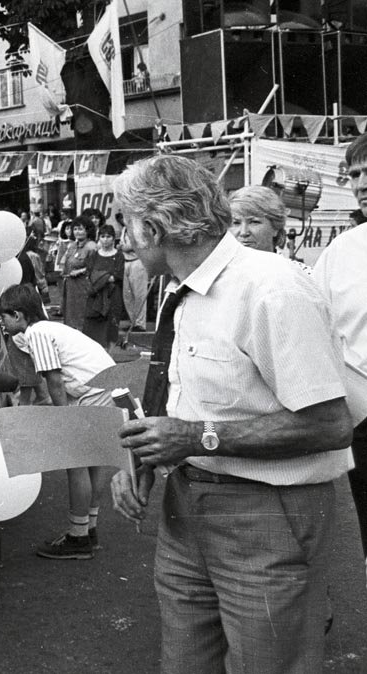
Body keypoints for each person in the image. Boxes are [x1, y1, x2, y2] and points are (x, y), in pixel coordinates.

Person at [111, 154, 352, 673]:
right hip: (186, 507)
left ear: (153, 226)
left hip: (268, 513)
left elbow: (331, 424)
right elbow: (191, 401)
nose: (124, 237)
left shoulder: (273, 288)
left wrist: (196, 438)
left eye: (126, 222)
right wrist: (152, 458)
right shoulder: (180, 291)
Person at [0, 284, 116, 559]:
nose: (2, 322)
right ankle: (89, 530)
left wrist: (64, 421)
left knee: (75, 463)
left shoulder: (36, 333)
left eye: (4, 316)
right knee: (95, 460)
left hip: (94, 391)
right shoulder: (49, 328)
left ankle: (78, 538)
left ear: (18, 315)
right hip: (109, 385)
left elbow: (54, 380)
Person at [310, 134, 367, 580]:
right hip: (362, 413)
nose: (361, 182)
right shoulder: (341, 251)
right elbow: (318, 325)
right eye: (354, 174)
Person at [82, 224, 125, 349]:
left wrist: (100, 277)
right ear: (99, 238)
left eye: (108, 237)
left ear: (113, 238)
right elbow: (90, 274)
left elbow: (116, 276)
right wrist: (105, 277)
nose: (105, 239)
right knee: (93, 326)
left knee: (112, 326)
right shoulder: (94, 255)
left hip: (113, 295)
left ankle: (110, 356)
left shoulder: (119, 256)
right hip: (96, 295)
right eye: (103, 236)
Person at [59, 216, 96, 329]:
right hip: (70, 286)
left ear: (88, 230)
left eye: (80, 229)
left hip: (83, 286)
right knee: (69, 315)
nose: (77, 232)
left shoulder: (92, 247)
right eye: (75, 229)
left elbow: (96, 267)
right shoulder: (72, 245)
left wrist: (80, 271)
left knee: (81, 316)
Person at [120, 232, 148, 335]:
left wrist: (125, 247)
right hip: (126, 261)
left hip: (138, 261)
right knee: (127, 295)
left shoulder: (139, 228)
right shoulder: (124, 229)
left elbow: (139, 244)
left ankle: (140, 323)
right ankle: (133, 322)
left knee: (139, 294)